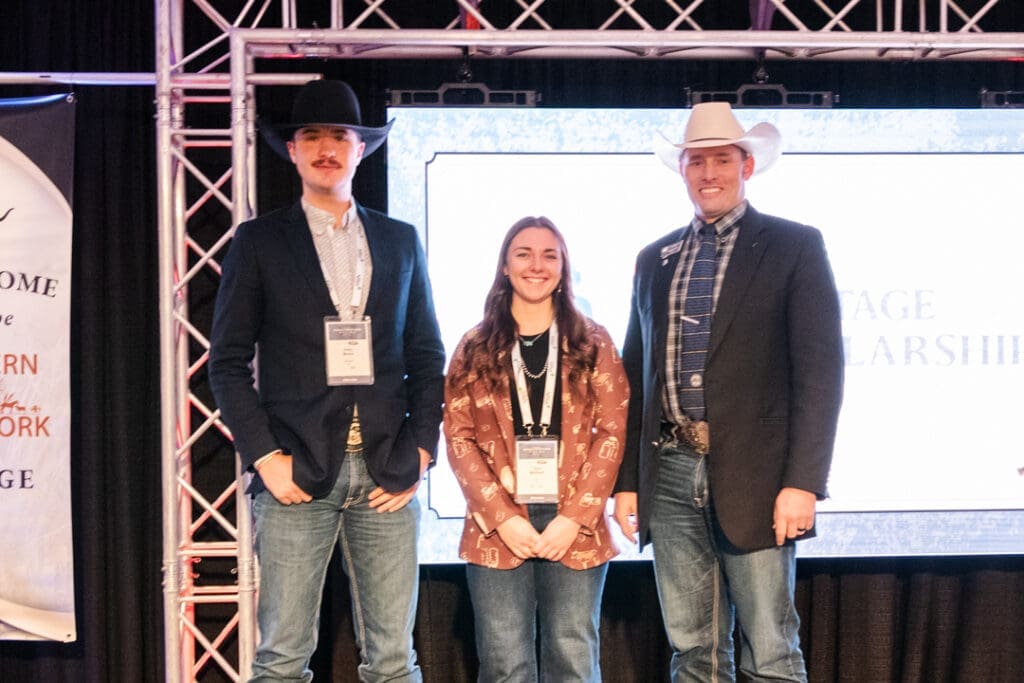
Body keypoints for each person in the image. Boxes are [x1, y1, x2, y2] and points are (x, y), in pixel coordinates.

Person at [208, 79, 445, 682]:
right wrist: (265, 457)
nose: (325, 148)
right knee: (282, 658)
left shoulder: (400, 240)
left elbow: (426, 354)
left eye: (339, 135)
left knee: (393, 661)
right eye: (311, 136)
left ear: (360, 149)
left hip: (387, 470)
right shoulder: (260, 241)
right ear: (292, 151)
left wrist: (421, 452)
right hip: (297, 471)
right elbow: (226, 362)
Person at [612, 102, 844, 681]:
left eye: (721, 159)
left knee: (771, 650)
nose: (708, 172)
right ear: (683, 170)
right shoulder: (654, 258)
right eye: (696, 161)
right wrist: (628, 481)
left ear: (747, 166)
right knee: (694, 650)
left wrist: (804, 482)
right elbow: (635, 376)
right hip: (669, 472)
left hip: (759, 476)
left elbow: (820, 374)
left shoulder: (793, 245)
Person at [444, 216, 629, 682]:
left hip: (575, 521)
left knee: (573, 659)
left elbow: (612, 431)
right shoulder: (474, 346)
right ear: (505, 266)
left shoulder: (594, 342)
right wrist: (503, 517)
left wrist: (575, 517)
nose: (536, 265)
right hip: (497, 523)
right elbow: (459, 437)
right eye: (523, 254)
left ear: (563, 268)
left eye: (550, 256)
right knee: (504, 663)